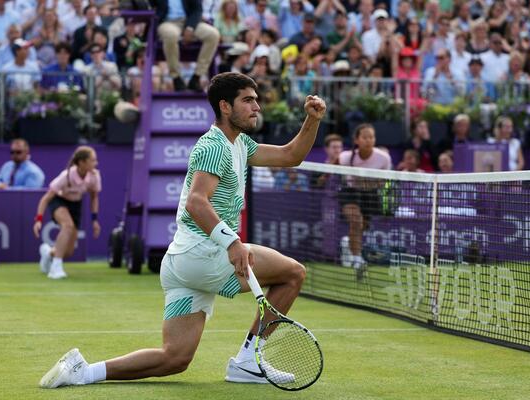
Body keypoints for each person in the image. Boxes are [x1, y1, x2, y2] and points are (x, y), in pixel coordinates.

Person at [38, 72, 326, 388]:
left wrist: (312, 120)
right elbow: (196, 202)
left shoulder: (241, 143)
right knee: (293, 273)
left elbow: (290, 155)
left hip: (181, 263)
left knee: (174, 358)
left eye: (256, 99)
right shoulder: (214, 146)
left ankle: (84, 372)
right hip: (205, 253)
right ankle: (248, 360)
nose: (256, 106)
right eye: (247, 100)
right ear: (225, 107)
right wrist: (232, 243)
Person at [33, 146, 101, 280]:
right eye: (92, 160)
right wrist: (38, 220)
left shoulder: (94, 176)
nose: (96, 163)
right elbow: (46, 198)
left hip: (76, 205)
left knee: (68, 251)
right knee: (67, 225)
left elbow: (94, 198)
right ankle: (55, 269)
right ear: (82, 162)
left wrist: (94, 220)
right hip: (59, 201)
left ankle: (48, 253)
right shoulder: (66, 176)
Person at [338, 123, 391, 281]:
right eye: (365, 137)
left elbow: (383, 182)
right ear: (357, 140)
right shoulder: (346, 157)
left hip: (371, 195)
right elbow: (336, 168)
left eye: (372, 137)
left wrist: (370, 183)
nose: (369, 140)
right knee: (356, 221)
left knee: (362, 227)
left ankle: (350, 245)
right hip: (351, 192)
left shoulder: (383, 158)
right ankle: (357, 260)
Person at [155, 0, 220, 92]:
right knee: (171, 35)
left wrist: (190, 27)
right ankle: (176, 77)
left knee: (213, 35)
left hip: (189, 21)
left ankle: (197, 77)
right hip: (167, 22)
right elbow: (148, 6)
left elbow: (197, 9)